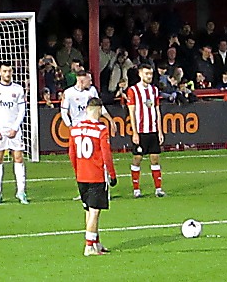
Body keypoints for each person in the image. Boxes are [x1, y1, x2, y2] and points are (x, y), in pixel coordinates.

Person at [69, 97, 117, 256]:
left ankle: (95, 242)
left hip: (81, 174)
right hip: (96, 175)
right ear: (98, 110)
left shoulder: (75, 128)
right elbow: (106, 154)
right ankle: (89, 246)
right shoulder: (101, 129)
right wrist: (112, 174)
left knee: (89, 211)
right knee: (95, 211)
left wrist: (77, 171)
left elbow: (71, 154)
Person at [61, 70, 117, 201]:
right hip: (78, 130)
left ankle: (104, 189)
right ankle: (84, 191)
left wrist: (110, 119)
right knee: (82, 161)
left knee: (98, 158)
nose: (91, 82)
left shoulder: (92, 91)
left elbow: (100, 107)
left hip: (92, 129)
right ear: (81, 80)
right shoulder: (68, 93)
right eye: (89, 79)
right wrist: (70, 127)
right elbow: (64, 112)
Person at [0, 61, 28, 205]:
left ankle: (21, 192)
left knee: (19, 158)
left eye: (9, 71)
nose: (7, 74)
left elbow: (22, 110)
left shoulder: (18, 89)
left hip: (14, 130)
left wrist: (15, 127)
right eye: (4, 71)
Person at [126, 64, 166, 198]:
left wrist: (160, 131)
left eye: (150, 74)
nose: (149, 76)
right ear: (140, 74)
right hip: (141, 131)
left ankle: (158, 189)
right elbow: (131, 112)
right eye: (146, 74)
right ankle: (136, 189)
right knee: (137, 159)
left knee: (155, 158)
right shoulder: (133, 90)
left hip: (153, 130)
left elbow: (157, 110)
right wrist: (135, 132)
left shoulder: (154, 90)